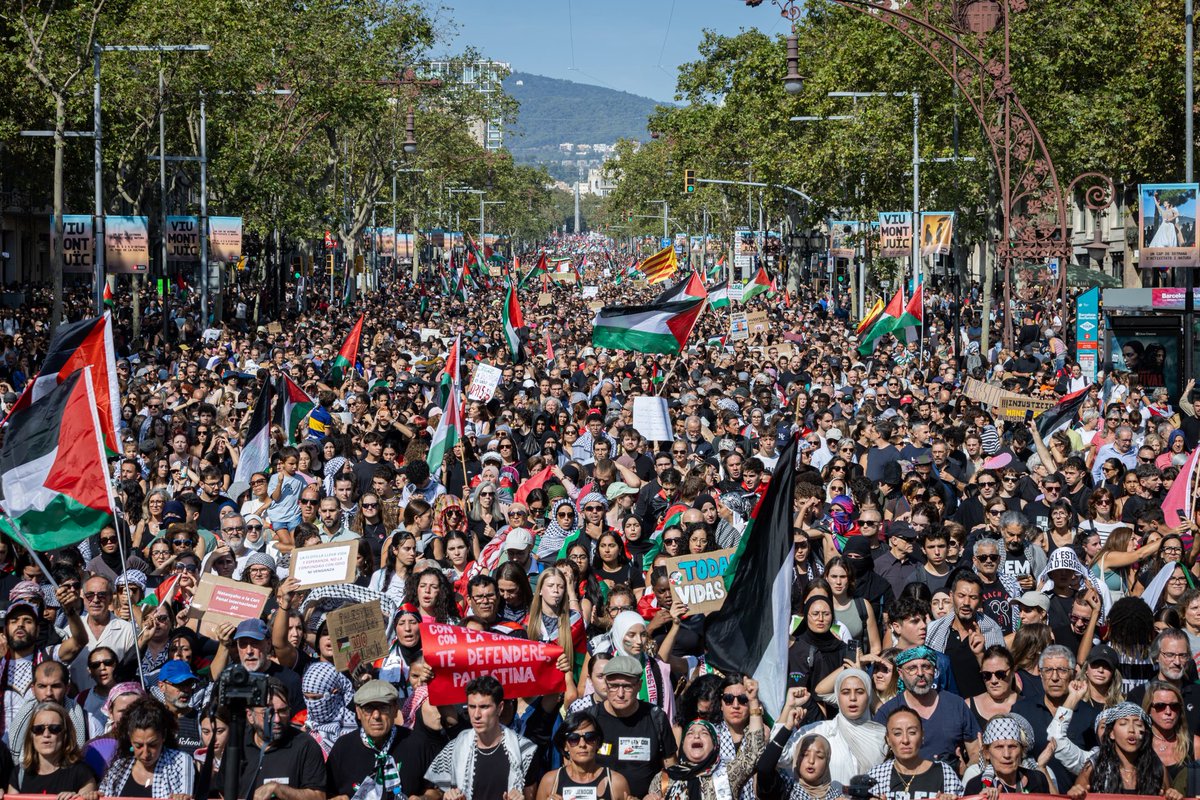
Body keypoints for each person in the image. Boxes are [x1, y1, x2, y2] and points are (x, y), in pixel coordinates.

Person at [424, 675, 538, 800]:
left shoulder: (524, 751)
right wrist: (445, 796)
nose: (476, 715)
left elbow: (531, 796)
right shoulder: (455, 748)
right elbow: (434, 792)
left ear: (499, 708)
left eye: (484, 707)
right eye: (472, 707)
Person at [326, 680, 436, 800]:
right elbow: (326, 793)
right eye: (368, 709)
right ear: (358, 712)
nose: (376, 716)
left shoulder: (417, 744)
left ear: (395, 710)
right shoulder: (343, 747)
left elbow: (437, 791)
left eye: (383, 708)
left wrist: (424, 798)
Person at [220, 677, 326, 800]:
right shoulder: (237, 746)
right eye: (268, 713)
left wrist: (277, 789)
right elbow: (223, 793)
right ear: (250, 715)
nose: (277, 719)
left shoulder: (305, 745)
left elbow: (319, 796)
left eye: (283, 711)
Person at [591, 656, 678, 799]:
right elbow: (574, 769)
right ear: (606, 686)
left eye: (627, 686)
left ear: (639, 685)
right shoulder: (591, 719)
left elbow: (671, 769)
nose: (620, 694)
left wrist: (658, 794)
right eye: (614, 686)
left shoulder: (656, 718)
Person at [1068, 702, 1182, 799]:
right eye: (1123, 723)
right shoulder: (1094, 767)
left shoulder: (1156, 768)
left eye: (1138, 724)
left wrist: (1173, 795)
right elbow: (1077, 794)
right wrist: (1075, 794)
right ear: (1112, 733)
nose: (1132, 730)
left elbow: (1171, 794)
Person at [644, 711, 763, 800]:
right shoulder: (664, 778)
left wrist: (754, 707)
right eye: (690, 733)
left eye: (704, 733)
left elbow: (752, 754)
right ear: (683, 745)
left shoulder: (728, 772)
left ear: (715, 745)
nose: (696, 736)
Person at [98, 697, 194, 799]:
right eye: (138, 745)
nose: (146, 754)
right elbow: (103, 795)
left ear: (164, 736)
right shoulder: (118, 768)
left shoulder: (180, 761)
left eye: (152, 745)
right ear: (130, 737)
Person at [866, 706, 965, 800]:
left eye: (912, 732)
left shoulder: (944, 772)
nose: (905, 740)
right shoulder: (875, 776)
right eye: (897, 733)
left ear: (922, 735)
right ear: (888, 739)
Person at [535, 711, 630, 800]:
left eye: (590, 737)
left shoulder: (616, 782)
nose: (582, 744)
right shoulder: (550, 781)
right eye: (573, 739)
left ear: (598, 742)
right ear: (565, 745)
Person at [8, 700, 97, 796]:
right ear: (31, 735)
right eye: (39, 729)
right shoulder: (19, 774)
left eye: (54, 728)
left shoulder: (82, 774)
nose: (46, 734)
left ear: (65, 734)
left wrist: (77, 798)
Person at [962, 714, 1054, 795]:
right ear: (986, 753)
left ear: (1022, 751)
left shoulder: (1038, 780)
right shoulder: (975, 787)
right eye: (999, 747)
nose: (1006, 754)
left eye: (1012, 746)